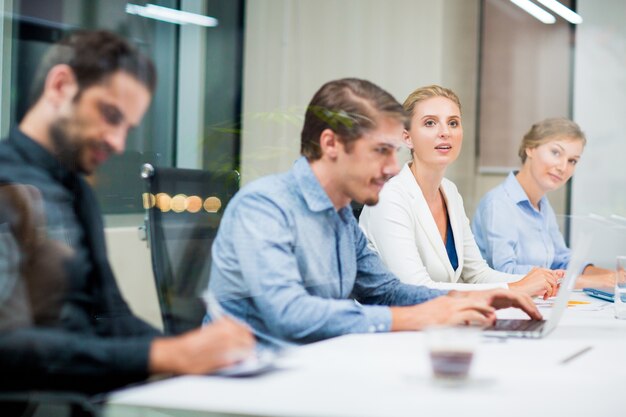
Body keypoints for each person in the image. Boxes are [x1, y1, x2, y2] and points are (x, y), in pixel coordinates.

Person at [0, 30, 254, 396]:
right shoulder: (8, 185)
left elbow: (112, 316)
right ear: (60, 86)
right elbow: (7, 348)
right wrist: (165, 354)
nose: (118, 142)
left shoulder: (78, 192)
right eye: (109, 115)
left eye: (127, 128)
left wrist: (199, 354)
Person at [207, 78, 541, 348]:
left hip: (314, 367)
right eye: (380, 151)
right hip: (252, 381)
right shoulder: (264, 207)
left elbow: (386, 291)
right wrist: (416, 317)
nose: (392, 167)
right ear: (331, 144)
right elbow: (291, 314)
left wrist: (465, 298)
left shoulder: (338, 216)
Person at [359, 85, 559, 295]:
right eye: (430, 123)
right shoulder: (389, 197)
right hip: (393, 324)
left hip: (439, 320)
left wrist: (538, 280)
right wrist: (516, 288)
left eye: (453, 123)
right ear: (407, 137)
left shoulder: (450, 192)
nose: (445, 132)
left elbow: (477, 275)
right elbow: (414, 288)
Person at [471, 118, 614, 288]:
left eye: (572, 161)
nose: (563, 167)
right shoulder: (498, 204)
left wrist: (611, 275)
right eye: (556, 152)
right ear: (530, 148)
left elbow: (561, 260)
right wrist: (590, 281)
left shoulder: (543, 205)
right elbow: (505, 272)